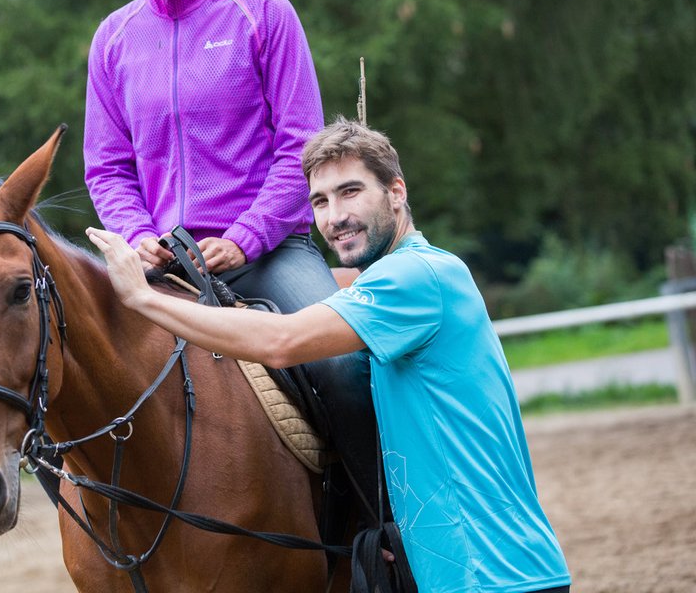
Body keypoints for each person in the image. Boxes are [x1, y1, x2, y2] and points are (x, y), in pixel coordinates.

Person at [87, 117, 572, 593]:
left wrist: (143, 299)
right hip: (465, 571)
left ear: (397, 193)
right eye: (319, 200)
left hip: (492, 572)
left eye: (351, 191)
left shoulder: (414, 278)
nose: (334, 216)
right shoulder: (402, 284)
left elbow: (282, 341)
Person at [83, 0, 381, 514]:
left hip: (270, 252)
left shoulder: (262, 10)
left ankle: (379, 541)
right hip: (166, 267)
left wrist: (246, 239)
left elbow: (301, 145)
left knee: (345, 369)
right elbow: (106, 168)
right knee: (77, 373)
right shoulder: (112, 42)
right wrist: (138, 238)